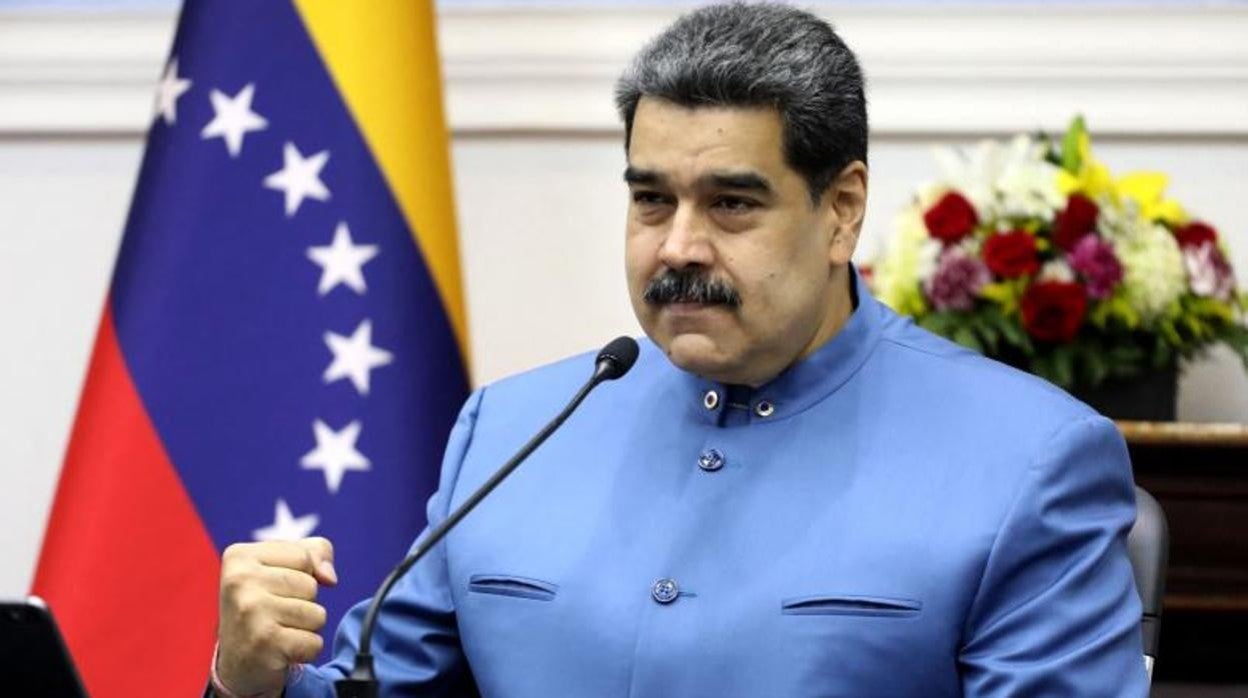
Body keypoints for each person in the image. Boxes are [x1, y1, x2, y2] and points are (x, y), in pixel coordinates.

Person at [210, 3, 1149, 696]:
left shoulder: (1029, 461)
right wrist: (248, 679)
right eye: (651, 198)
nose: (677, 246)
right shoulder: (511, 429)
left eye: (731, 203)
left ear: (842, 211)